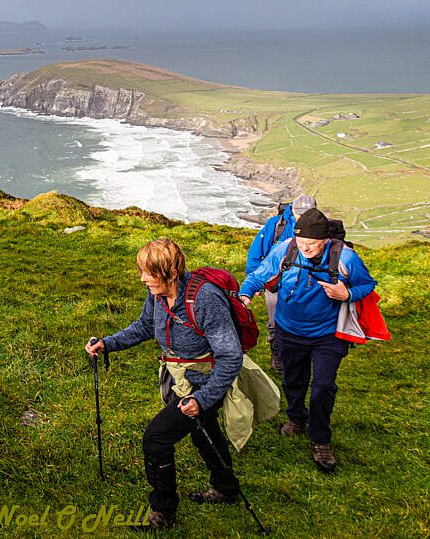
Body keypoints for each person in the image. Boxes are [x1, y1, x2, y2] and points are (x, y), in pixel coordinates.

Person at [85, 238, 242, 531]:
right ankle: (226, 487)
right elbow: (145, 326)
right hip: (178, 379)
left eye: (149, 272)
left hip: (205, 382)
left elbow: (231, 357)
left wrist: (203, 399)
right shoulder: (157, 294)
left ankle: (163, 513)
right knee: (203, 430)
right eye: (142, 271)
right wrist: (108, 344)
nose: (143, 278)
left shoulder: (206, 299)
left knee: (156, 438)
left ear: (171, 272)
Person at [239, 208, 376, 473]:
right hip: (288, 330)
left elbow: (368, 285)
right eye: (301, 243)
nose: (305, 249)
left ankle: (320, 439)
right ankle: (296, 418)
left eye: (311, 244)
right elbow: (259, 275)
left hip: (328, 334)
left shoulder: (345, 257)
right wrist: (245, 294)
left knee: (323, 385)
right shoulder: (286, 249)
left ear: (325, 241)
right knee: (293, 379)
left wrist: (346, 293)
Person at [246, 194, 317, 371]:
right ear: (292, 209)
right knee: (276, 322)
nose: (302, 217)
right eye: (299, 213)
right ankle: (277, 354)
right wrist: (254, 280)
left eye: (307, 213)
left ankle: (304, 357)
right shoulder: (276, 225)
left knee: (305, 320)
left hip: (308, 284)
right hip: (276, 283)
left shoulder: (321, 227)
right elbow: (256, 252)